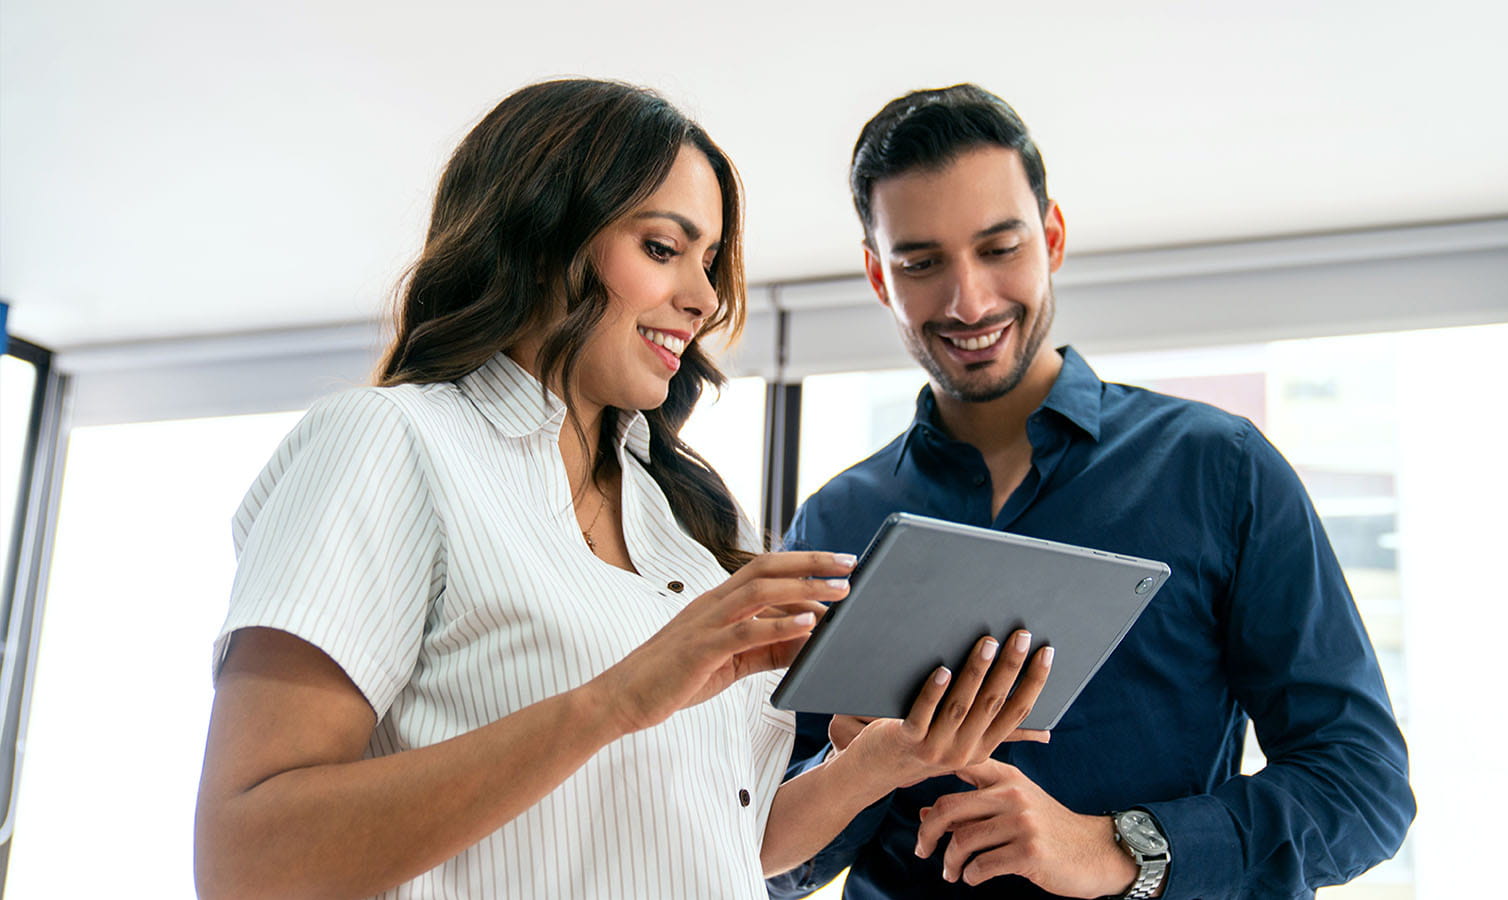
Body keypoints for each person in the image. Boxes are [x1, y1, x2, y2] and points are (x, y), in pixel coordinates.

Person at [192, 79, 1055, 900]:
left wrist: (879, 764)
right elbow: (246, 860)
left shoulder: (690, 520)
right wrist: (614, 702)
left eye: (710, 260)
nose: (703, 297)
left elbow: (723, 839)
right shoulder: (392, 443)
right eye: (662, 248)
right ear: (541, 239)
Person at [767, 84, 1415, 899]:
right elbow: (767, 860)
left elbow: (1362, 787)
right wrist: (857, 769)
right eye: (921, 262)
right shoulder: (833, 522)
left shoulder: (1221, 468)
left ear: (1053, 237)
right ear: (876, 274)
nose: (968, 300)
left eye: (999, 248)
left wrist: (1115, 847)